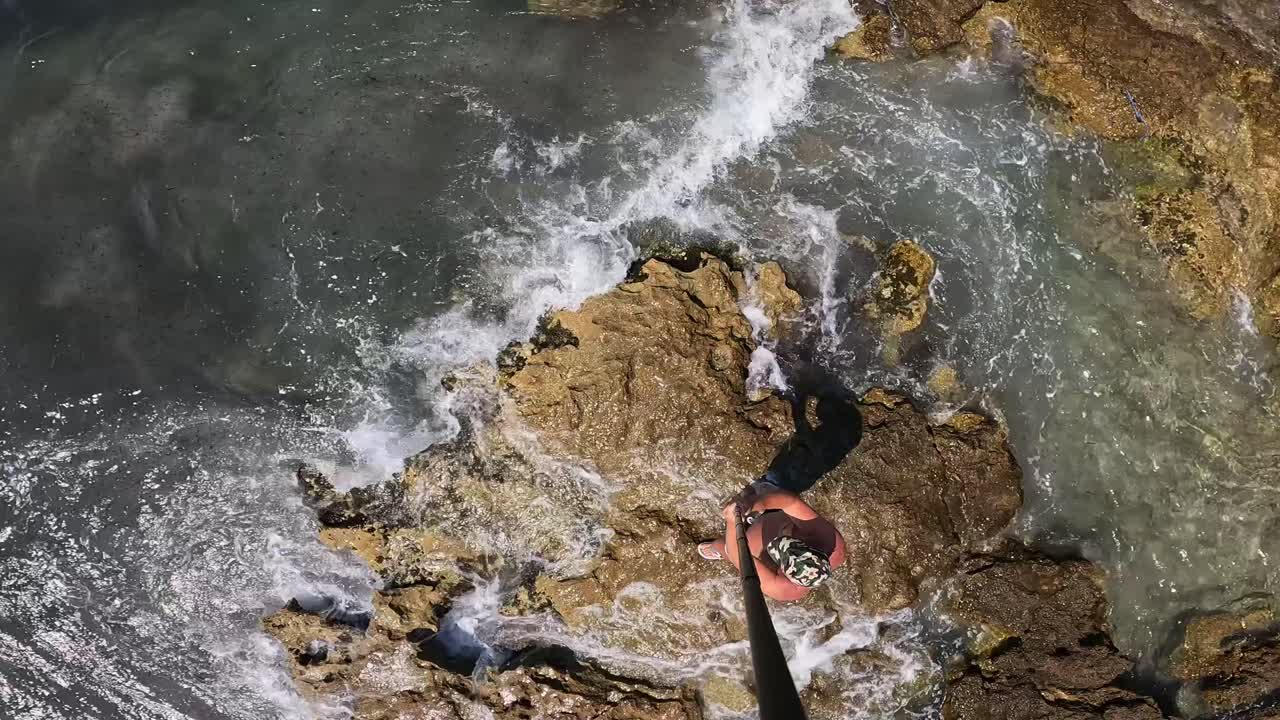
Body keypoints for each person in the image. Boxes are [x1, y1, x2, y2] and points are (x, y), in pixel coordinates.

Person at [697, 481, 846, 602]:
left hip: (769, 534)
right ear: (810, 543)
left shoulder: (783, 589)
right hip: (779, 519)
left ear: (785, 574)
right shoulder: (826, 537)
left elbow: (737, 554)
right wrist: (753, 504)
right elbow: (791, 503)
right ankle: (758, 509)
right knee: (768, 493)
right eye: (790, 541)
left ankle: (718, 549)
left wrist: (731, 521)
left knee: (728, 550)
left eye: (780, 553)